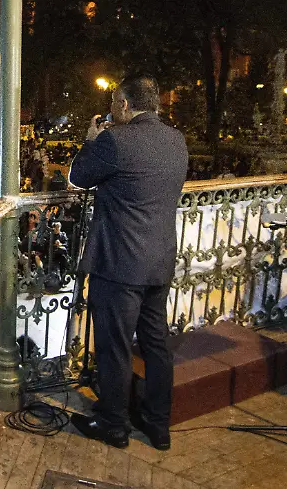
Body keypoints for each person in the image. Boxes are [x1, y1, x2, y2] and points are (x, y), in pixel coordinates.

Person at [67, 76, 187, 451]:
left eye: (114, 101)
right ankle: (157, 425)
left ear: (123, 103)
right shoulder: (176, 140)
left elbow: (76, 178)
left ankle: (113, 424)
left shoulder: (114, 141)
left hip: (119, 264)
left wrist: (90, 139)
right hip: (159, 260)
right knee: (156, 344)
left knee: (115, 346)